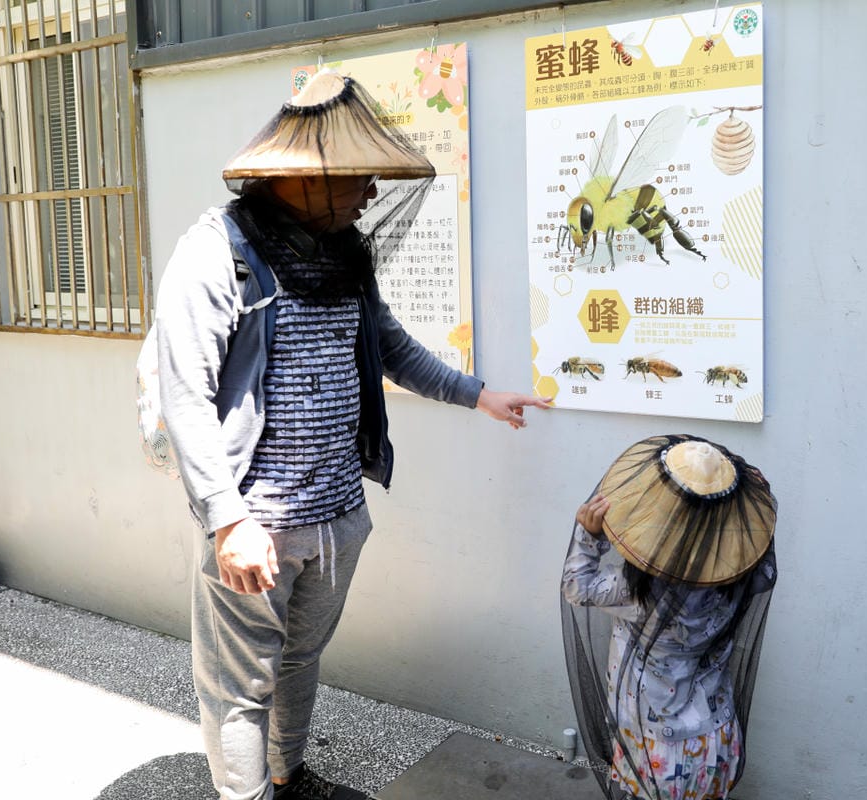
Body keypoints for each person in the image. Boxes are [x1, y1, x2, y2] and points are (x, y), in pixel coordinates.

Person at [154, 69, 549, 800]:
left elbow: (391, 346)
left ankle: (287, 775)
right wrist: (226, 518)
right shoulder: (213, 252)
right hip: (255, 526)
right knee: (240, 687)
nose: (370, 193)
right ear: (305, 178)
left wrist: (479, 395)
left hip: (338, 515)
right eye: (359, 177)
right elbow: (186, 395)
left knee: (299, 661)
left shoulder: (341, 252)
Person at [561, 435, 777, 800]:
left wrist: (589, 534)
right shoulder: (739, 580)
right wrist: (760, 506)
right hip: (715, 738)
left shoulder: (638, 590)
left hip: (655, 749)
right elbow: (765, 569)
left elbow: (576, 586)